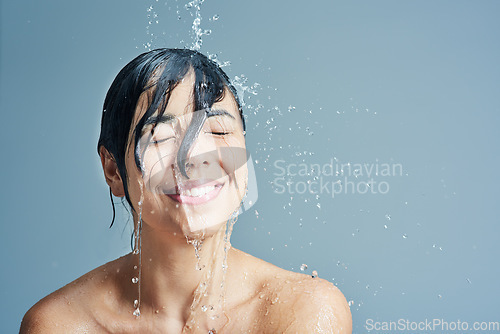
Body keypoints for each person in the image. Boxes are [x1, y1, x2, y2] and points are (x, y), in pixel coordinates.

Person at [20, 48, 352, 333]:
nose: (194, 157)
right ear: (113, 170)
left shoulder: (300, 311)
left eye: (219, 131)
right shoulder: (61, 324)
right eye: (161, 137)